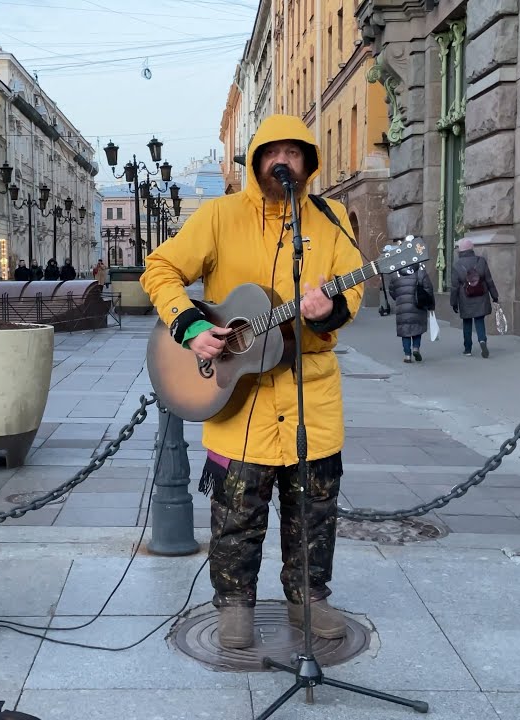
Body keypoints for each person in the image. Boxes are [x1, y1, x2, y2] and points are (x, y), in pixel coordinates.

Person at [140, 114, 363, 650]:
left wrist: (327, 308)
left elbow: (351, 296)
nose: (281, 160)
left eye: (294, 151)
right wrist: (191, 326)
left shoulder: (329, 220)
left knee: (313, 511)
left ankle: (308, 595)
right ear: (256, 159)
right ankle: (234, 605)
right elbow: (160, 268)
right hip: (238, 404)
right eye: (271, 152)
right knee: (236, 514)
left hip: (312, 395)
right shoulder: (218, 217)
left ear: (307, 162)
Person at [450, 238, 500, 357]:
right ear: (471, 249)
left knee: (467, 323)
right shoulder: (481, 261)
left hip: (465, 298)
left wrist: (454, 303)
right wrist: (495, 296)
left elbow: (454, 287)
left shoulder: (457, 265)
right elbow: (489, 280)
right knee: (479, 321)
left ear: (460, 251)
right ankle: (482, 341)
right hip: (481, 296)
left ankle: (468, 349)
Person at [388, 259, 434, 363]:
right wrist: (430, 305)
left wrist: (399, 298)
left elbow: (391, 290)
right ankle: (416, 348)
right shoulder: (420, 270)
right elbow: (428, 287)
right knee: (417, 327)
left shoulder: (396, 272)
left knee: (405, 331)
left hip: (402, 307)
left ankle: (407, 355)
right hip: (418, 305)